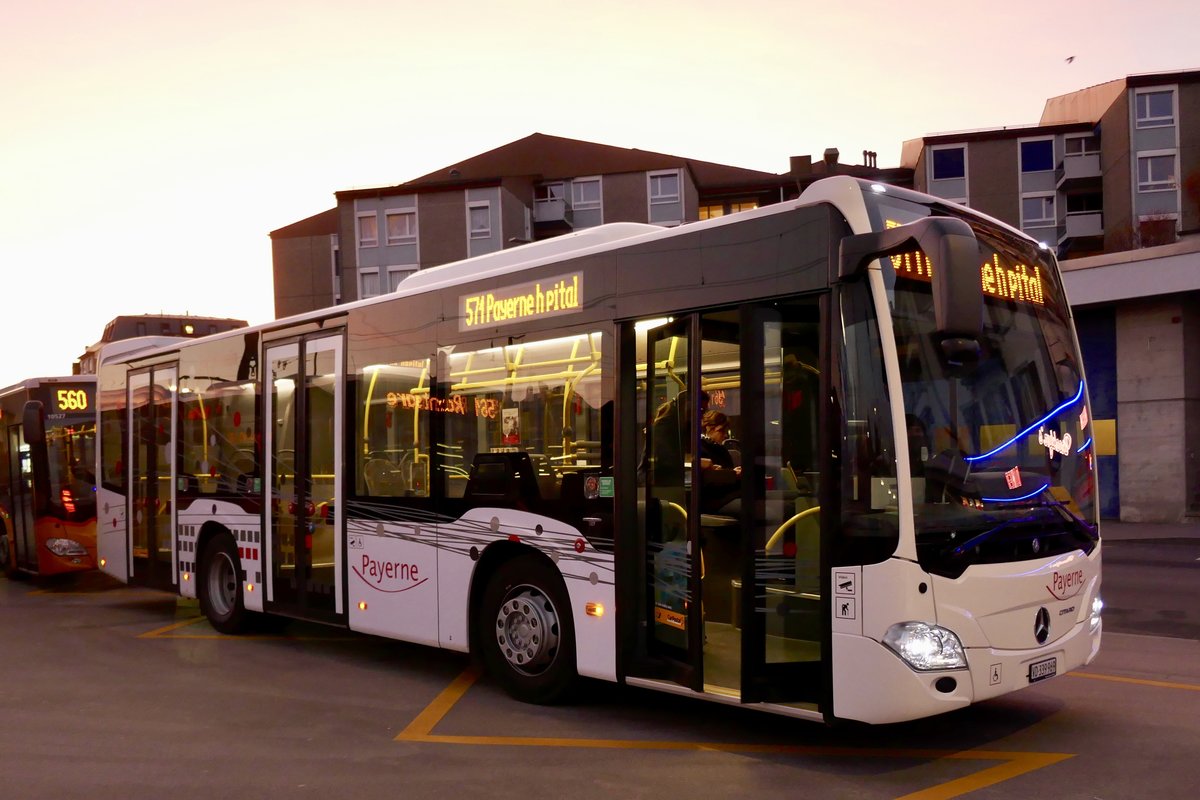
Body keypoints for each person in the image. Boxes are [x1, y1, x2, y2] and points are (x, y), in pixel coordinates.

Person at [699, 409, 740, 513]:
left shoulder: (722, 450)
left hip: (730, 494)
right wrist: (731, 475)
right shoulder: (699, 449)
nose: (725, 435)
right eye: (721, 431)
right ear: (708, 428)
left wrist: (733, 473)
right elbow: (707, 485)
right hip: (716, 500)